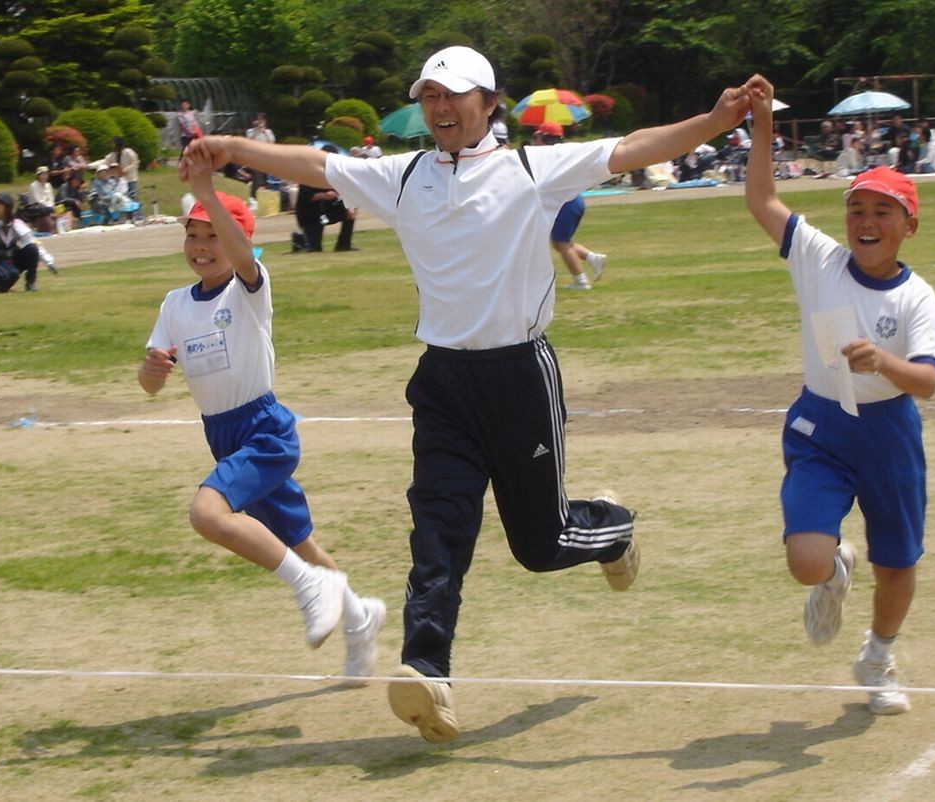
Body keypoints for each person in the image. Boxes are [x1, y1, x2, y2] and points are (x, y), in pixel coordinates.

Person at [182, 44, 757, 743]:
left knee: (541, 546)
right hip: (445, 383)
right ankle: (429, 672)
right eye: (430, 96)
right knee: (438, 531)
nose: (440, 108)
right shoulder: (404, 177)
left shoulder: (531, 168)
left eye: (454, 95)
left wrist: (717, 118)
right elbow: (314, 164)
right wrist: (228, 146)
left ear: (490, 103)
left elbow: (635, 147)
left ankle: (613, 526)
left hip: (520, 377)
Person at [743, 75, 935, 717]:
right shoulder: (819, 258)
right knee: (805, 559)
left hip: (888, 433)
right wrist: (764, 123)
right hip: (820, 427)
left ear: (908, 225)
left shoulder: (917, 298)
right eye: (857, 209)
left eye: (883, 211)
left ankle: (878, 655)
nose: (866, 221)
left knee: (898, 563)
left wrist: (884, 361)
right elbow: (760, 197)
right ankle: (833, 571)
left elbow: (928, 382)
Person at [138, 157, 385, 681]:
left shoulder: (248, 289)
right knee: (300, 542)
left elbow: (242, 256)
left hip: (264, 430)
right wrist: (152, 370)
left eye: (213, 235)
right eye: (193, 236)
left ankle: (309, 586)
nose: (202, 246)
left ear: (239, 242)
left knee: (208, 515)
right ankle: (361, 619)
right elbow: (150, 384)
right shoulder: (174, 305)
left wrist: (205, 189)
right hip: (222, 437)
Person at [534, 122, 608, 289]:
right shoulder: (563, 154)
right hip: (573, 200)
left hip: (565, 203)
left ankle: (580, 280)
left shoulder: (545, 157)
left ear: (545, 138)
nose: (536, 140)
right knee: (562, 242)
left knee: (561, 243)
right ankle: (592, 258)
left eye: (538, 136)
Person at [0, 192, 58, 291]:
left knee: (31, 249)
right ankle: (0, 281)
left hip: (11, 257)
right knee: (4, 286)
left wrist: (49, 262)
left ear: (7, 207)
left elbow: (32, 242)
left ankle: (30, 283)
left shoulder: (17, 224)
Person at [292, 145, 356, 252]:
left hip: (327, 210)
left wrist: (350, 207)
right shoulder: (309, 173)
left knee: (350, 213)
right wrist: (324, 195)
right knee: (315, 248)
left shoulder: (336, 174)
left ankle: (344, 244)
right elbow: (306, 197)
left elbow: (346, 191)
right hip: (310, 214)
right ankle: (300, 239)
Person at [244, 113, 276, 200]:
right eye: (258, 120)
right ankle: (254, 198)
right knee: (257, 178)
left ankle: (266, 198)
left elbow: (272, 143)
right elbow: (249, 142)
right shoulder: (250, 131)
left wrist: (264, 132)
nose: (260, 122)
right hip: (255, 158)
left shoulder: (269, 132)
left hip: (266, 157)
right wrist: (256, 131)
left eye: (262, 120)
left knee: (267, 178)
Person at [105, 136, 141, 202]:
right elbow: (105, 162)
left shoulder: (129, 152)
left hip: (130, 179)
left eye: (113, 143)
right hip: (119, 181)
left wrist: (124, 171)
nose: (111, 145)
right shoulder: (112, 155)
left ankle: (137, 212)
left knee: (133, 198)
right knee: (122, 199)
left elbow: (135, 163)